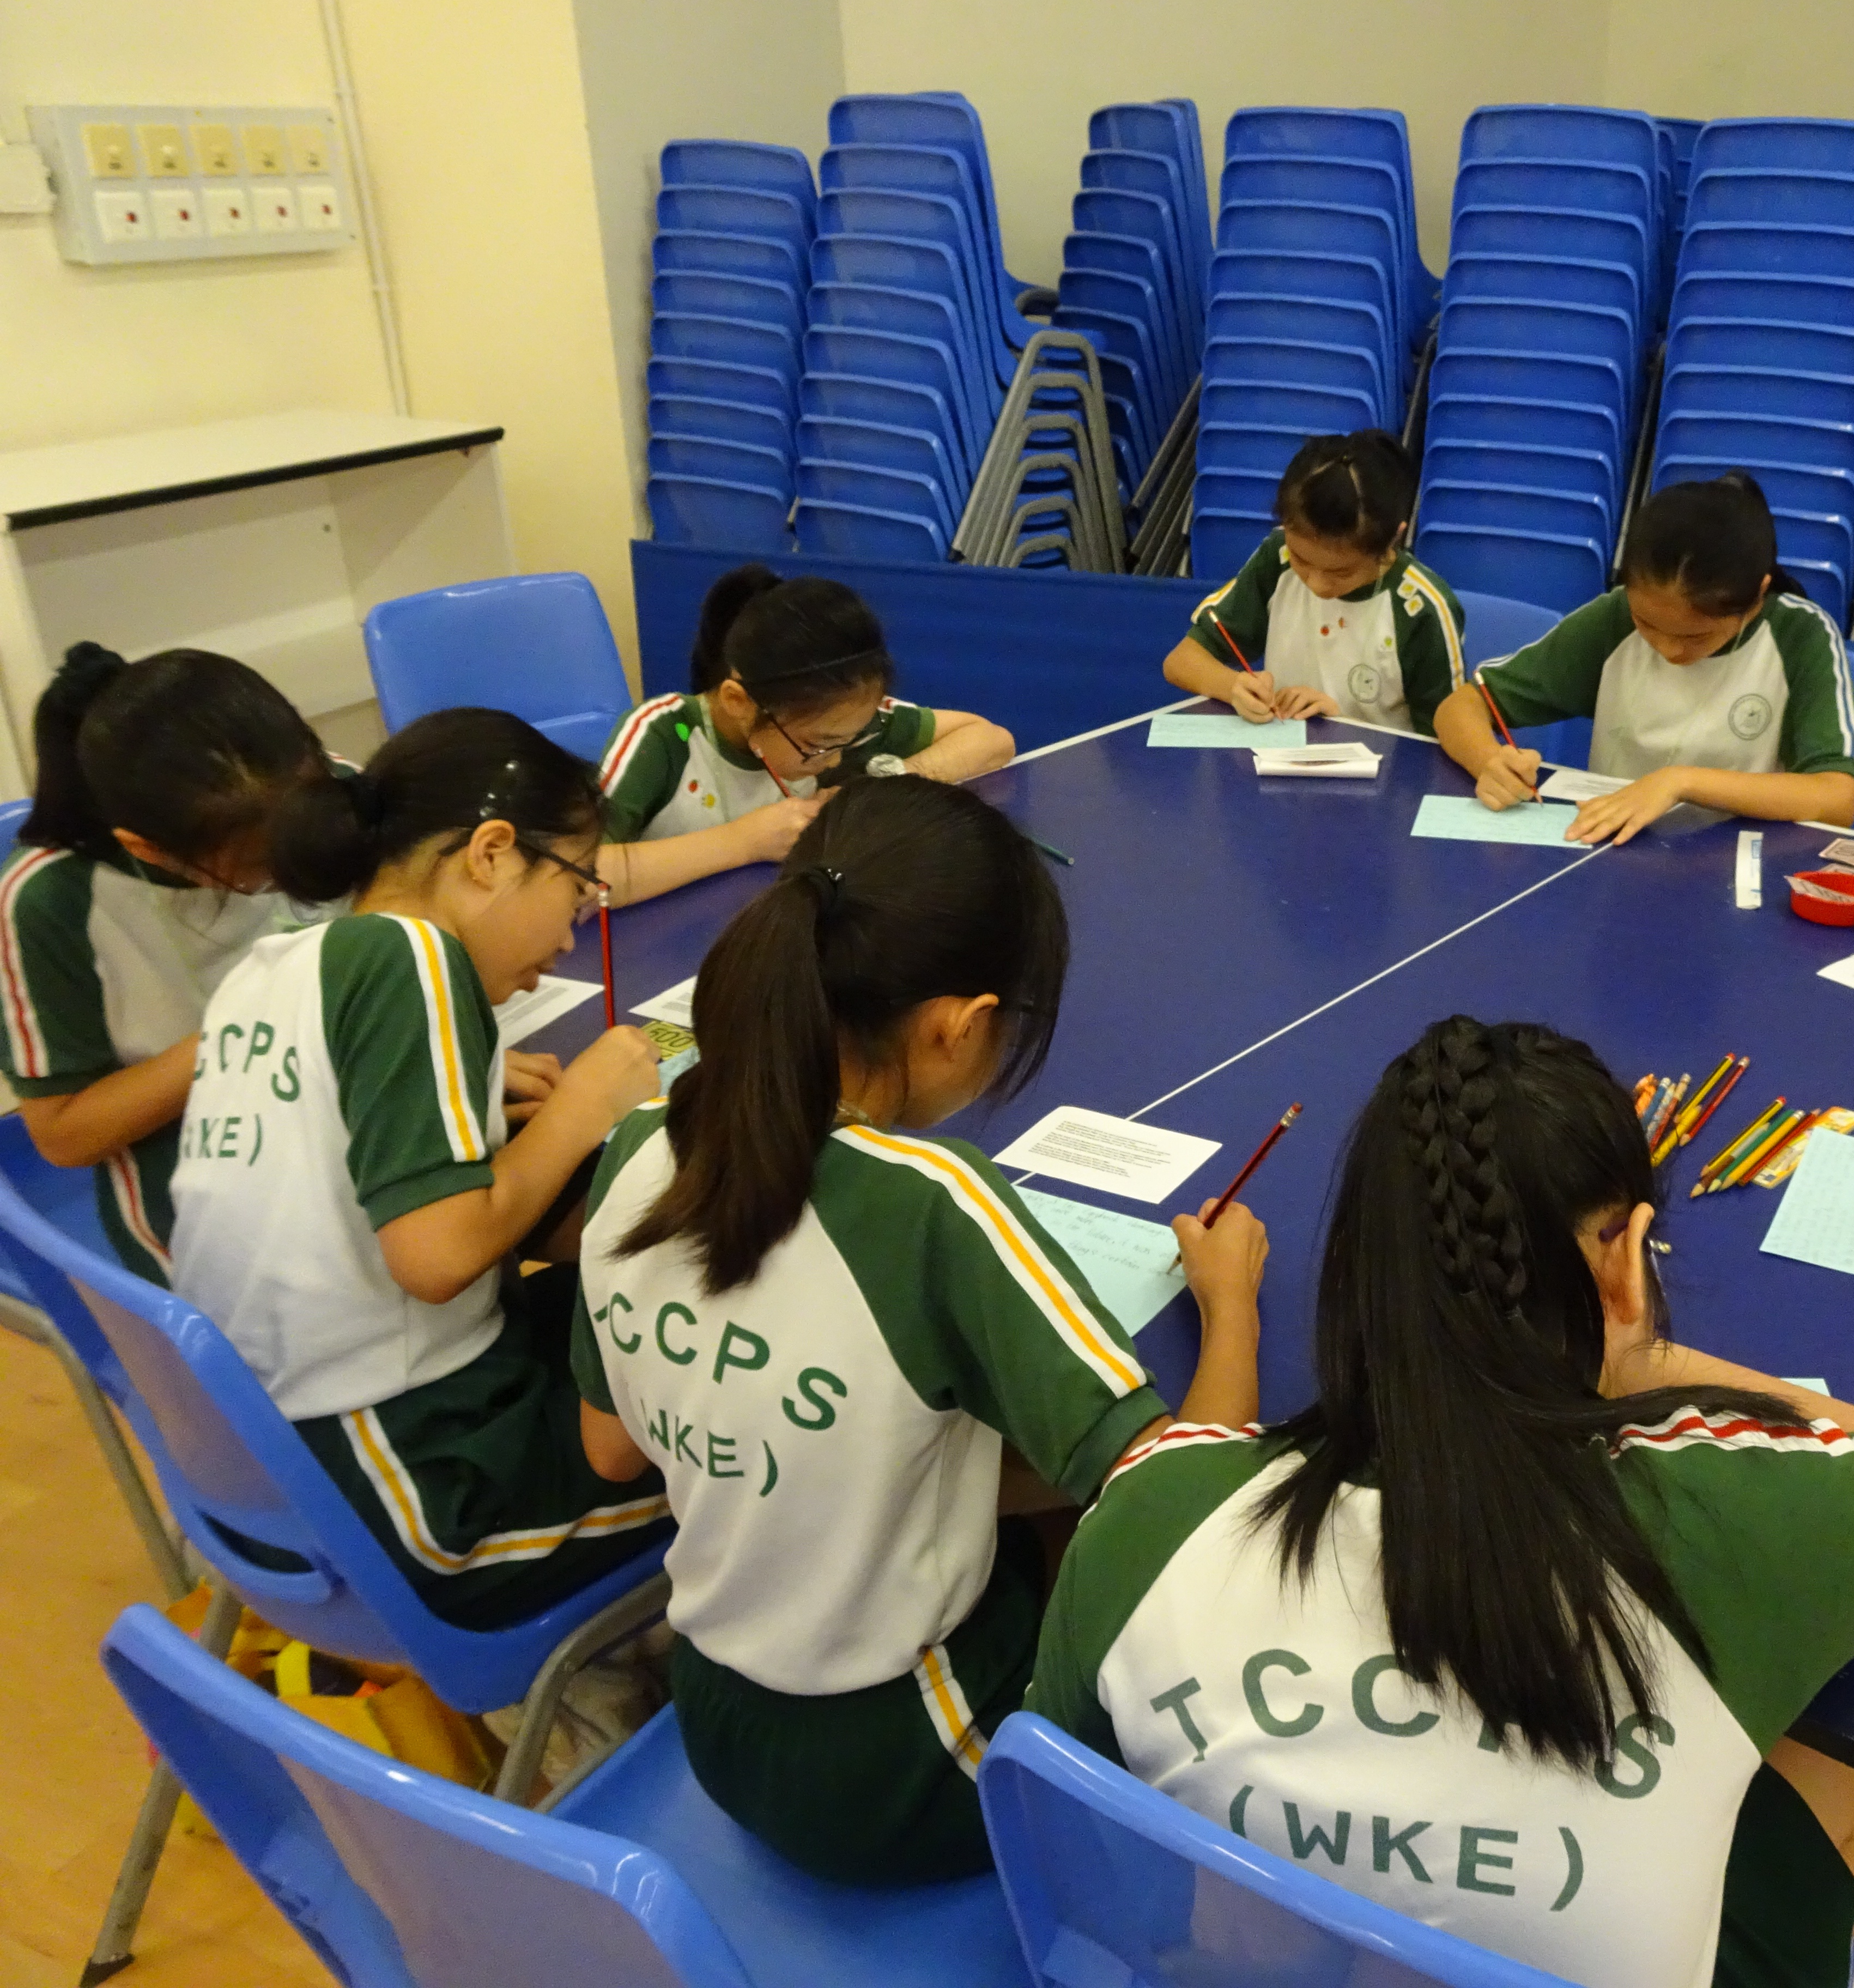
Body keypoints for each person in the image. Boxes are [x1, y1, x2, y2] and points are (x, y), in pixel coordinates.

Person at [1032, 1016, 1854, 1988]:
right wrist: (1630, 1341)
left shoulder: (1146, 1518)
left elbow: (1077, 1820)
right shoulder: (1730, 1521)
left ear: (1358, 1264)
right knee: (1837, 1780)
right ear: (1627, 1258)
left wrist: (1230, 1312)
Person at [574, 776, 1264, 1886]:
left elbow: (611, 1447)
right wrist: (1231, 1309)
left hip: (712, 1715)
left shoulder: (638, 1147)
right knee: (1173, 1576)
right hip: (908, 1770)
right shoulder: (934, 1201)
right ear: (960, 1025)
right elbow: (1180, 1516)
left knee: (1009, 1498)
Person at [168, 710, 671, 1627]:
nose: (568, 940)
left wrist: (480, 1121)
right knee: (765, 1434)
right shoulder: (417, 954)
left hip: (269, 1470)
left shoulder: (269, 967)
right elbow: (436, 1258)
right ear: (491, 853)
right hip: (416, 1495)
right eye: (576, 891)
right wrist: (584, 1106)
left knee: (642, 1308)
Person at [0, 644, 339, 1280]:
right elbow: (65, 1133)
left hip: (361, 1134)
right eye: (260, 869)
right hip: (212, 1214)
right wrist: (258, 1022)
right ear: (148, 849)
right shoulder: (50, 902)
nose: (298, 872)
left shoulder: (331, 794)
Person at [1435, 475, 1854, 845]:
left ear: (1758, 594)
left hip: (1737, 864)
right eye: (1647, 624)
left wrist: (1680, 782)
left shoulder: (1800, 636)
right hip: (1612, 851)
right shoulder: (1614, 618)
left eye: (1696, 636)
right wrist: (1490, 762)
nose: (1669, 649)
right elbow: (1461, 707)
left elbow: (1836, 798)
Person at [596, 566, 1014, 903]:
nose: (835, 760)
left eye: (844, 743)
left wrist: (886, 782)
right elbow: (582, 874)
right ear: (740, 703)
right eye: (816, 747)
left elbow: (991, 740)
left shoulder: (841, 719)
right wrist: (743, 843)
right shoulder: (663, 735)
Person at [1160, 430, 1467, 734]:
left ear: (1393, 539)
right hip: (1281, 757)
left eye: (1341, 573)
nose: (1317, 585)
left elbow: (1450, 739)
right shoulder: (1277, 558)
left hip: (1382, 765)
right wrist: (1233, 687)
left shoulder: (1422, 609)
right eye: (1301, 560)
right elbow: (1182, 661)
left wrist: (1340, 723)